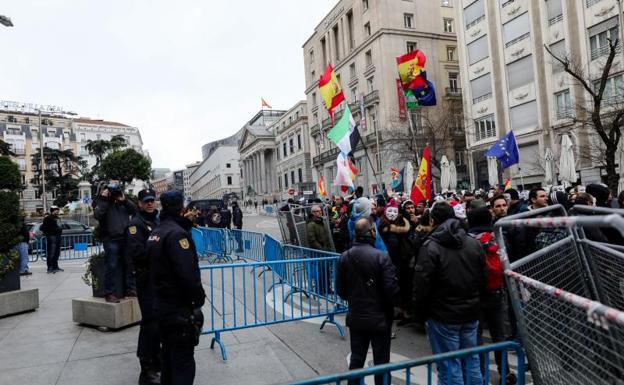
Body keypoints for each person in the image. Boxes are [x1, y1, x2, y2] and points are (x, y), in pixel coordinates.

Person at [413, 201, 487, 385]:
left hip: (443, 315)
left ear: (432, 220)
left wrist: (420, 313)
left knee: (449, 366)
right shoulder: (472, 242)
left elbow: (422, 285)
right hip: (468, 311)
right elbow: (482, 276)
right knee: (471, 361)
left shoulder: (430, 246)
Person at [147, 190, 205, 385]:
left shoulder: (156, 231)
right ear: (181, 207)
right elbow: (187, 274)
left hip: (161, 305)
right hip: (177, 308)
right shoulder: (176, 235)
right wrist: (199, 298)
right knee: (183, 362)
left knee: (169, 359)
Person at [336, 218, 399, 385]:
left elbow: (341, 291)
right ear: (371, 232)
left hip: (356, 317)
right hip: (380, 318)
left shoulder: (344, 257)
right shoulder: (381, 257)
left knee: (357, 360)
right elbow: (391, 291)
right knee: (381, 362)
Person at [467, 207, 516, 384]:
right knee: (499, 335)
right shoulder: (497, 237)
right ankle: (505, 372)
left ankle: (480, 374)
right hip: (496, 291)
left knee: (477, 336)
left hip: (475, 294)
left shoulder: (467, 240)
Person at [126, 189, 161, 385]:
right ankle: (146, 367)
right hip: (146, 279)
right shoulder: (135, 224)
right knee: (149, 323)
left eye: (152, 201)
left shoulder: (159, 221)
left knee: (160, 322)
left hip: (160, 279)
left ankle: (158, 360)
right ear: (139, 203)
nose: (150, 204)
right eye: (146, 201)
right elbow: (137, 252)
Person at [94, 181, 137, 303]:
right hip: (111, 239)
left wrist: (124, 200)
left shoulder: (122, 202)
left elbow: (135, 211)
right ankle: (110, 293)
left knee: (130, 264)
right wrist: (104, 199)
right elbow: (98, 215)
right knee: (111, 266)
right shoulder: (101, 202)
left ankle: (131, 289)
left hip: (125, 238)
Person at [379, 200, 412, 321]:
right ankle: (391, 310)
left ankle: (402, 309)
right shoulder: (384, 226)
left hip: (400, 261)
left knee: (401, 286)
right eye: (390, 211)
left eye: (395, 211)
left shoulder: (401, 224)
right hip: (390, 261)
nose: (392, 214)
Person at [307, 204, 333, 295]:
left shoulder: (321, 221)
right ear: (313, 213)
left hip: (325, 251)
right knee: (321, 272)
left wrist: (328, 249)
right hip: (319, 252)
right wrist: (321, 249)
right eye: (318, 211)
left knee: (327, 271)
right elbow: (312, 240)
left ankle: (327, 288)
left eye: (320, 211)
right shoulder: (311, 224)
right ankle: (321, 290)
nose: (320, 212)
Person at [40, 206, 63, 274]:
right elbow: (43, 228)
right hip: (51, 236)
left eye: (58, 210)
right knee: (51, 252)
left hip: (58, 236)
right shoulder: (48, 218)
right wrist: (48, 234)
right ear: (53, 210)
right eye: (57, 210)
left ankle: (55, 266)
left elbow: (59, 226)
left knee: (57, 253)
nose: (58, 211)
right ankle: (50, 267)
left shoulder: (57, 218)